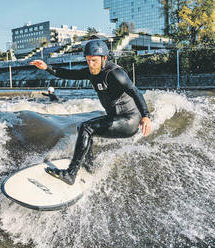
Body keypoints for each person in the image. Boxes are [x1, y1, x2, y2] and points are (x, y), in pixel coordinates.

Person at [30, 40, 152, 185]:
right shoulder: (91, 72)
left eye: (94, 60)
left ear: (104, 58)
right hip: (115, 118)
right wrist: (47, 67)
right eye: (88, 60)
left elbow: (135, 92)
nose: (91, 64)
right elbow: (68, 74)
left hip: (129, 120)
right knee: (84, 130)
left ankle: (71, 173)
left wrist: (145, 116)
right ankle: (90, 165)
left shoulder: (115, 73)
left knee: (86, 127)